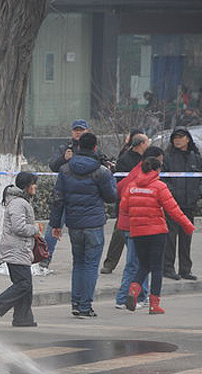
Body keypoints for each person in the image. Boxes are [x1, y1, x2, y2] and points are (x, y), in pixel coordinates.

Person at [49, 132, 118, 318]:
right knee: (90, 265)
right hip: (94, 224)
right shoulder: (101, 172)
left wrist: (56, 224)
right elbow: (111, 197)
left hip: (74, 224)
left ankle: (76, 303)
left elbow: (58, 199)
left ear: (78, 147)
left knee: (78, 263)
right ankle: (85, 306)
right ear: (95, 148)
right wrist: (112, 177)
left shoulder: (65, 169)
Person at [122, 155, 195, 315]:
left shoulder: (131, 186)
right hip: (156, 232)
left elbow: (124, 207)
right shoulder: (159, 186)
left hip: (137, 232)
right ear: (157, 170)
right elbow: (173, 209)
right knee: (156, 268)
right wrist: (188, 226)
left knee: (143, 265)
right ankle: (154, 305)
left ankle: (134, 288)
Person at [0, 172, 42, 327]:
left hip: (20, 248)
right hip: (16, 248)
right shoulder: (19, 203)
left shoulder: (20, 201)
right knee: (23, 284)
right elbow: (19, 227)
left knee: (26, 286)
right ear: (27, 186)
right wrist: (35, 229)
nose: (35, 187)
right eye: (33, 184)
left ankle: (22, 319)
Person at [113, 147, 163, 310]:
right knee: (135, 263)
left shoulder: (135, 172)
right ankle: (124, 298)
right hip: (136, 226)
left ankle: (141, 295)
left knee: (142, 262)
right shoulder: (141, 177)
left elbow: (120, 190)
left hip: (129, 224)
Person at [41, 119, 91, 269]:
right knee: (54, 226)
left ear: (87, 131)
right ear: (72, 132)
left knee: (85, 230)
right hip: (64, 194)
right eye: (76, 130)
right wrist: (64, 158)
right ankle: (44, 258)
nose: (78, 132)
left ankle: (84, 261)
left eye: (81, 130)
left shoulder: (92, 148)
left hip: (84, 195)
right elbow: (53, 165)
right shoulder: (65, 148)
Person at [101, 132, 149, 274]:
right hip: (126, 202)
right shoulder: (125, 159)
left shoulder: (147, 158)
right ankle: (110, 263)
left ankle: (142, 262)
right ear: (141, 144)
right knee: (120, 233)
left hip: (143, 201)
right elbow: (121, 183)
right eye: (147, 142)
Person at [162, 127, 202, 281]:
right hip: (173, 204)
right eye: (175, 137)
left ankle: (185, 269)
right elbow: (163, 179)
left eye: (181, 137)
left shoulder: (196, 157)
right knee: (170, 237)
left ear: (188, 139)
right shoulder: (168, 157)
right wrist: (172, 193)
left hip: (189, 204)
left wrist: (198, 193)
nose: (178, 140)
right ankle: (168, 268)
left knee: (186, 237)